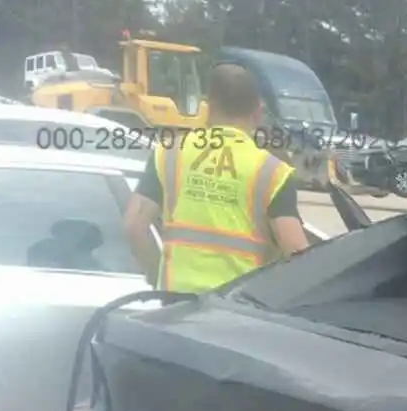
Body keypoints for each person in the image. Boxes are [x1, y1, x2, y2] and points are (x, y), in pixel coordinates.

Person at [122, 63, 309, 292]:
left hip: (177, 306)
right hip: (237, 311)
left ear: (208, 108)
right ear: (258, 113)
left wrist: (156, 276)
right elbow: (298, 254)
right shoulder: (272, 171)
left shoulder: (169, 153)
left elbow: (134, 225)